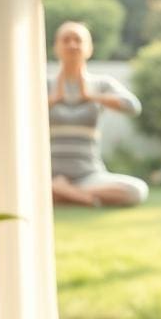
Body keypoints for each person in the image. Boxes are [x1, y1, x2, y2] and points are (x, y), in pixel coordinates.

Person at [48, 21, 149, 207]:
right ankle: (75, 195)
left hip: (89, 175)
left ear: (89, 48)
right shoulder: (45, 84)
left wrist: (92, 96)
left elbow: (133, 106)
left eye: (78, 40)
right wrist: (53, 99)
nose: (72, 45)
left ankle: (63, 193)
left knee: (137, 190)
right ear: (57, 47)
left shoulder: (102, 85)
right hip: (49, 172)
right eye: (66, 40)